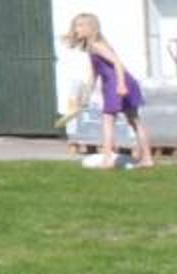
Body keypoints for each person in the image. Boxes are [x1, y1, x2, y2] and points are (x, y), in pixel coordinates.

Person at [64, 12, 155, 170]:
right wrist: (85, 96)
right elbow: (94, 74)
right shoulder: (91, 48)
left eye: (79, 25)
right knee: (134, 121)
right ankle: (147, 159)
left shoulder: (97, 45)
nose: (76, 29)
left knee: (108, 121)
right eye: (75, 26)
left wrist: (120, 85)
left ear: (90, 27)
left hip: (117, 83)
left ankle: (107, 160)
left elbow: (117, 63)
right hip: (124, 82)